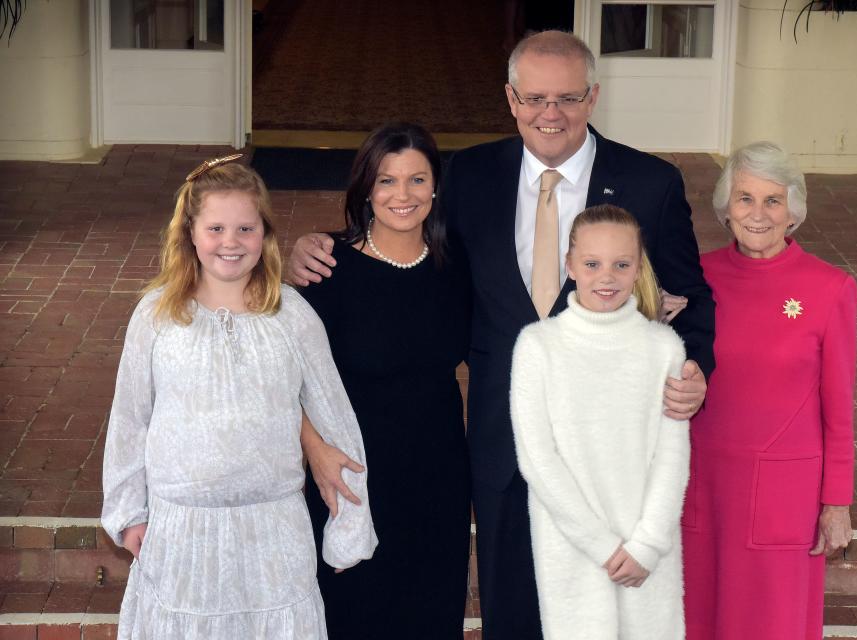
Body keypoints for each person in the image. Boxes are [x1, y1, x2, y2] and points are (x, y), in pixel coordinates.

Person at [288, 31, 715, 639]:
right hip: (500, 436)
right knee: (510, 605)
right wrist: (319, 245)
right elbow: (399, 234)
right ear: (511, 99)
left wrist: (695, 367)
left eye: (567, 98)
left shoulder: (651, 184)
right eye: (535, 98)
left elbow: (691, 298)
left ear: (593, 97)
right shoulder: (467, 176)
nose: (551, 114)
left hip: (608, 439)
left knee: (606, 606)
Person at [100, 157, 376, 639]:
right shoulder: (157, 316)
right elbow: (130, 418)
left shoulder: (291, 315)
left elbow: (334, 416)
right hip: (182, 527)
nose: (231, 242)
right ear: (190, 233)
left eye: (245, 228)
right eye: (217, 228)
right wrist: (128, 512)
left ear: (264, 234)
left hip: (272, 528)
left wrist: (349, 526)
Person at [298, 123, 472, 640]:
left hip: (437, 473)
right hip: (351, 472)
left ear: (435, 187)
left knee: (430, 611)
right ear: (366, 190)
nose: (403, 195)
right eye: (387, 181)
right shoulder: (327, 266)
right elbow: (282, 381)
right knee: (354, 613)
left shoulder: (459, 262)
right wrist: (315, 451)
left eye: (417, 180)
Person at [681, 142, 856, 639]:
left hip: (785, 495)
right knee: (697, 619)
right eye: (744, 199)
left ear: (793, 211)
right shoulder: (697, 278)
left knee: (771, 623)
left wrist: (836, 502)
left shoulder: (830, 288)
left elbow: (838, 408)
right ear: (725, 208)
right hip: (703, 483)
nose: (758, 214)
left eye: (772, 200)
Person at [511, 205, 689, 640]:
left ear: (637, 268)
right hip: (572, 545)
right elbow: (537, 458)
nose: (605, 277)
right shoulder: (539, 346)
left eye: (621, 264)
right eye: (592, 264)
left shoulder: (663, 347)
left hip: (648, 550)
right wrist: (601, 546)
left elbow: (672, 457)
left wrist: (646, 545)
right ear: (570, 266)